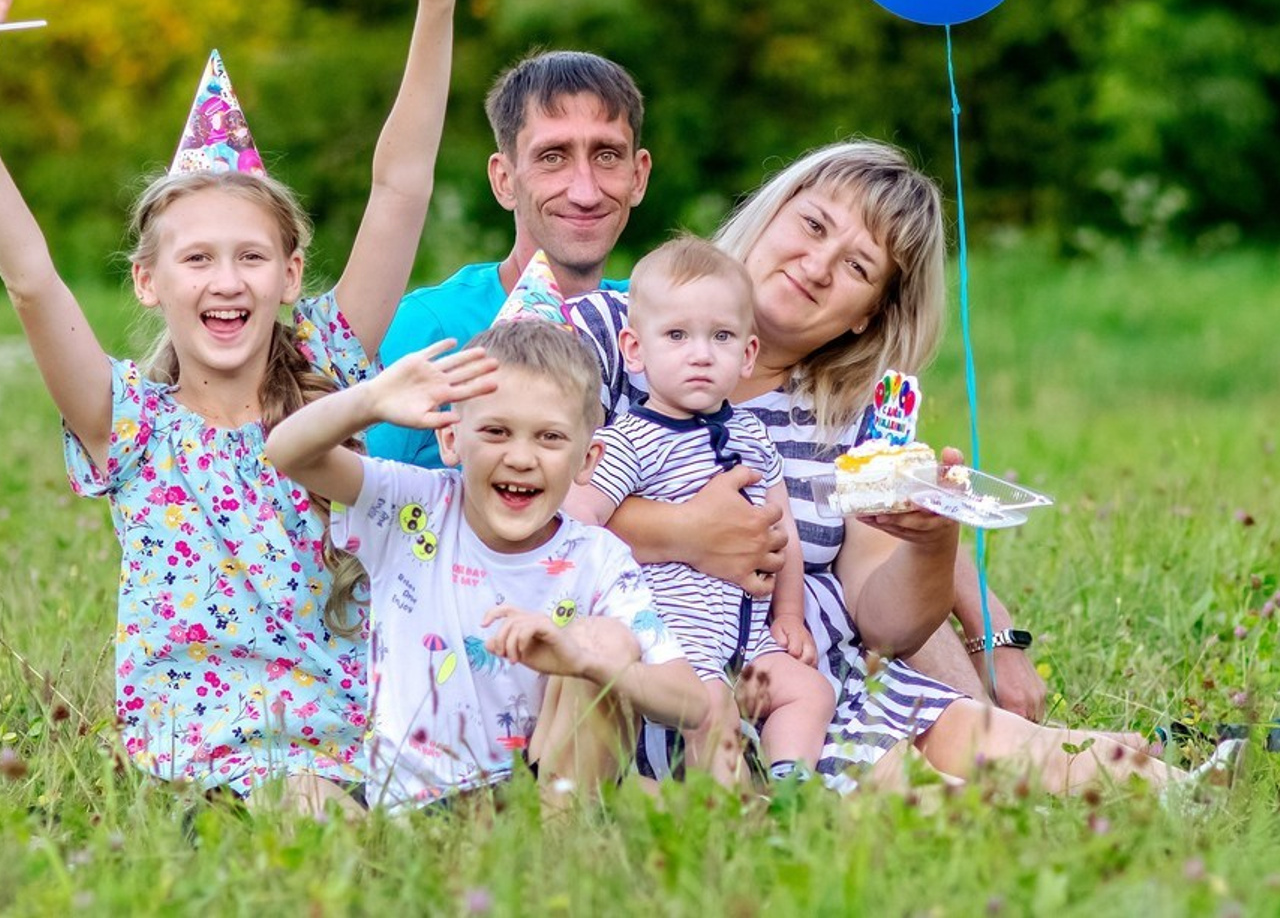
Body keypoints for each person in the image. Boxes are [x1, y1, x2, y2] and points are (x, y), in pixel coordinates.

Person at [570, 140, 1225, 795]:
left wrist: (931, 542)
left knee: (981, 734)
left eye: (857, 266)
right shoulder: (614, 331)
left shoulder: (850, 423)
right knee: (910, 782)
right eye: (814, 225)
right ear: (773, 212)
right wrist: (686, 531)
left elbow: (883, 623)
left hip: (823, 678)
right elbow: (509, 495)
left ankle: (1185, 790)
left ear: (868, 317)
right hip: (677, 677)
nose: (818, 265)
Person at [0, 0, 456, 813]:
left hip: (346, 728)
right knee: (308, 823)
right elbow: (32, 277)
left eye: (251, 257)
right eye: (197, 259)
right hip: (192, 746)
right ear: (148, 281)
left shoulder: (332, 359)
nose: (226, 281)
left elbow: (400, 186)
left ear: (291, 275)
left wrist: (434, 3)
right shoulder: (125, 419)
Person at [264, 319, 707, 812]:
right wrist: (370, 400)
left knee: (609, 642)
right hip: (422, 806)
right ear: (452, 440)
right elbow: (287, 452)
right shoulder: (413, 509)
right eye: (496, 431)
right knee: (296, 795)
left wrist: (585, 660)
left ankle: (552, 854)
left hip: (543, 796)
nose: (521, 457)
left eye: (550, 438)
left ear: (588, 458)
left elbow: (690, 702)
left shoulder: (597, 558)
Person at [564, 237, 834, 786]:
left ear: (747, 355)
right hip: (675, 641)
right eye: (678, 335)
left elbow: (784, 534)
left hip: (750, 637)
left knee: (810, 689)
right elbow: (578, 516)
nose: (701, 353)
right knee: (714, 711)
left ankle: (790, 782)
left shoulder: (753, 436)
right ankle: (726, 815)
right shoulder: (630, 440)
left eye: (722, 336)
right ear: (635, 350)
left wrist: (788, 616)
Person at [367, 49, 650, 469]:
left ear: (638, 176)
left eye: (607, 155)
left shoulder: (658, 323)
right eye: (553, 157)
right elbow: (356, 506)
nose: (585, 191)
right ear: (504, 180)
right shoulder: (430, 329)